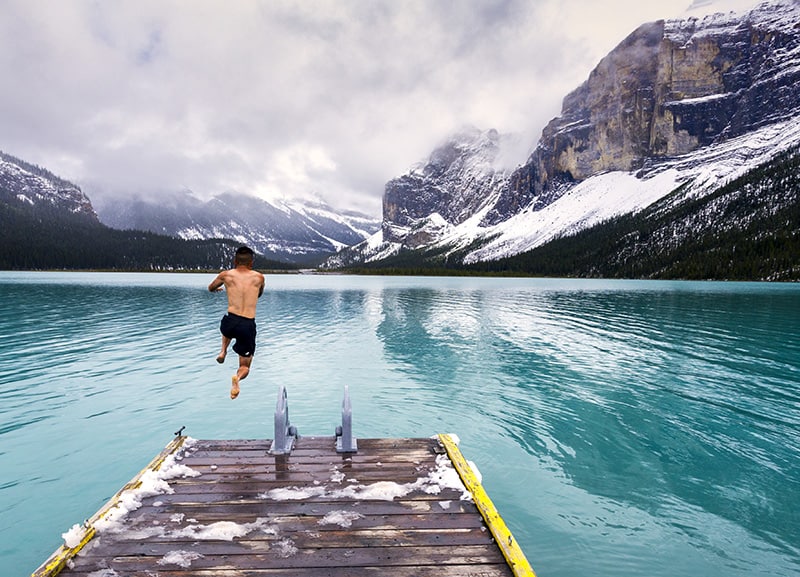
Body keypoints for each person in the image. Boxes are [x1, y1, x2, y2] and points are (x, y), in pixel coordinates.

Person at [208, 246, 265, 399]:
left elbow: (211, 287)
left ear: (235, 261)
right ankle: (237, 379)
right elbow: (258, 294)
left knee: (227, 325)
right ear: (251, 263)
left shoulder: (226, 275)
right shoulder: (259, 277)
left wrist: (219, 289)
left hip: (230, 322)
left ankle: (223, 351)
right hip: (247, 325)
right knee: (244, 365)